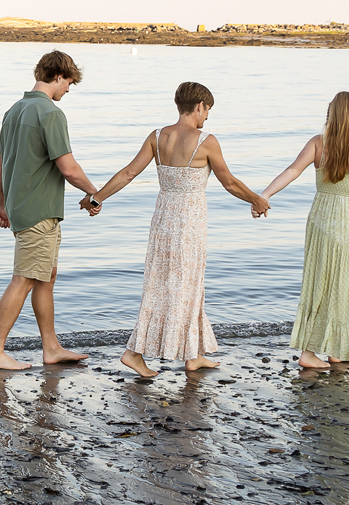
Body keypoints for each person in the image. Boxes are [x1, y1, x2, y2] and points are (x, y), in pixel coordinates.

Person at [89, 81, 270, 379]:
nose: (208, 117)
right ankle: (134, 353)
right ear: (199, 106)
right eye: (208, 110)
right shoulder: (206, 141)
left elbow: (128, 173)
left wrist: (98, 197)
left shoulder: (157, 137)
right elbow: (229, 182)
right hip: (188, 223)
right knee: (184, 284)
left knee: (167, 284)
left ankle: (193, 354)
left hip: (162, 220)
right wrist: (257, 199)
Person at [0, 50, 103, 371]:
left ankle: (51, 347)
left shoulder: (14, 110)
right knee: (23, 279)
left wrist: (0, 205)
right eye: (69, 84)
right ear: (59, 76)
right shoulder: (49, 113)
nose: (67, 91)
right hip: (39, 211)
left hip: (21, 208)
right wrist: (95, 192)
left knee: (45, 277)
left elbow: (0, 164)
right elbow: (68, 167)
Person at [261, 90, 349, 370]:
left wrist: (266, 194)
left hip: (320, 219)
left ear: (332, 114)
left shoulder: (318, 144)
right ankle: (335, 350)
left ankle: (316, 350)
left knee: (319, 284)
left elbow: (292, 171)